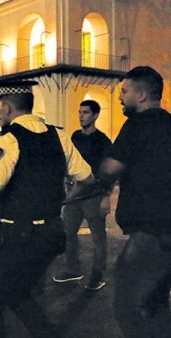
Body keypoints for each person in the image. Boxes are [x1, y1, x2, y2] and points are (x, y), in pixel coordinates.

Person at [0, 80, 93, 337]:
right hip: (51, 235)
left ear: (7, 107)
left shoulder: (8, 140)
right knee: (17, 293)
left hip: (15, 237)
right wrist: (62, 202)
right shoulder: (59, 135)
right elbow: (87, 179)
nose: (0, 113)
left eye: (0, 107)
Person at [98, 66, 171, 337]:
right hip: (167, 230)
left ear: (141, 95)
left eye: (124, 92)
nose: (120, 98)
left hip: (148, 233)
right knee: (156, 303)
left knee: (128, 307)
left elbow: (110, 168)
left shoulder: (138, 123)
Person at [53, 100, 111, 291]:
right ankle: (73, 269)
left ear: (95, 115)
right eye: (79, 112)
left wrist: (106, 197)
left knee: (98, 239)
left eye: (85, 112)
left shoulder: (103, 141)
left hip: (94, 195)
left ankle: (97, 276)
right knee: (68, 233)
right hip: (75, 195)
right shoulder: (76, 136)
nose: (81, 116)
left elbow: (108, 171)